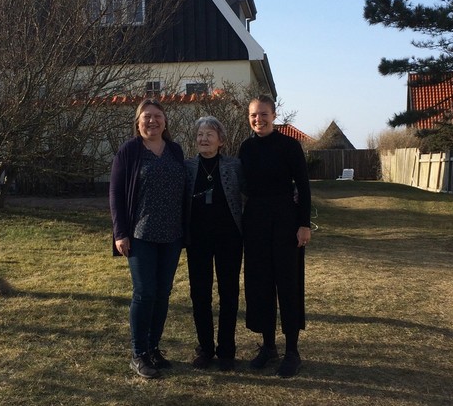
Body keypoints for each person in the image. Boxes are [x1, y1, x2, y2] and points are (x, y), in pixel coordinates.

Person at [109, 98, 185, 379]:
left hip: (172, 235)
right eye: (146, 117)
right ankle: (138, 353)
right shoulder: (129, 151)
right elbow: (115, 194)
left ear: (165, 121)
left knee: (163, 293)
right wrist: (120, 233)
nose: (152, 121)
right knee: (144, 293)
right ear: (138, 122)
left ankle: (154, 348)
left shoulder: (175, 150)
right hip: (140, 234)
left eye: (157, 116)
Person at [238, 95, 311, 378]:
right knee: (261, 284)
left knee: (288, 284)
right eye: (254, 115)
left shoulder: (290, 146)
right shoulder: (245, 147)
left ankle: (292, 350)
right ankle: (268, 347)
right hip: (255, 220)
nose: (259, 119)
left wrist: (303, 224)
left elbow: (303, 187)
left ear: (274, 115)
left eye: (264, 114)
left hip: (286, 220)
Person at [184, 116, 243, 371]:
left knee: (228, 294)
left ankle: (227, 350)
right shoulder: (187, 167)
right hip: (197, 239)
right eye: (199, 134)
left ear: (221, 140)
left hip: (229, 238)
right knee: (200, 295)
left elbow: (256, 190)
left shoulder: (234, 166)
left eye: (209, 134)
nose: (203, 139)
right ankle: (205, 349)